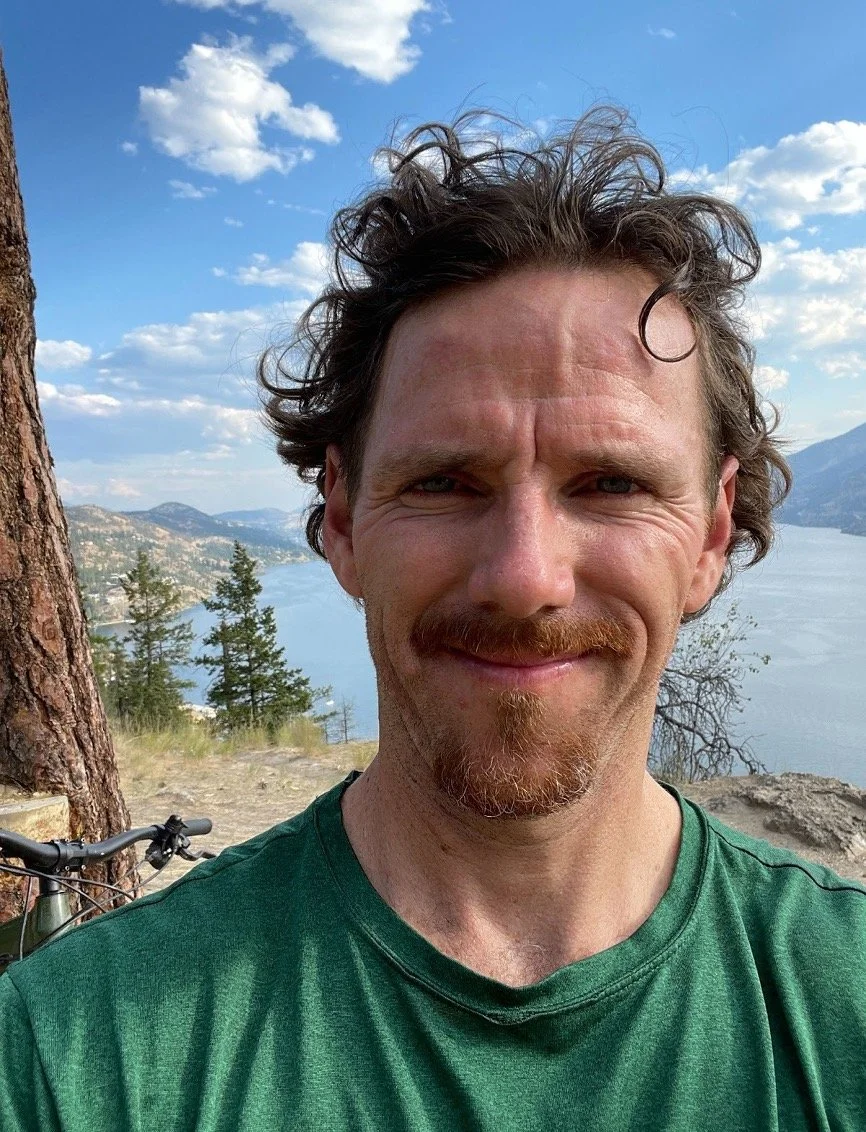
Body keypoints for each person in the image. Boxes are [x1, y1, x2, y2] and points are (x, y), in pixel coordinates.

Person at [1, 108, 864, 1131]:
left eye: (609, 482)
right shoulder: (68, 1054)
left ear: (711, 534)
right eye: (446, 480)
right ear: (342, 519)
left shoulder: (837, 999)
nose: (522, 577)